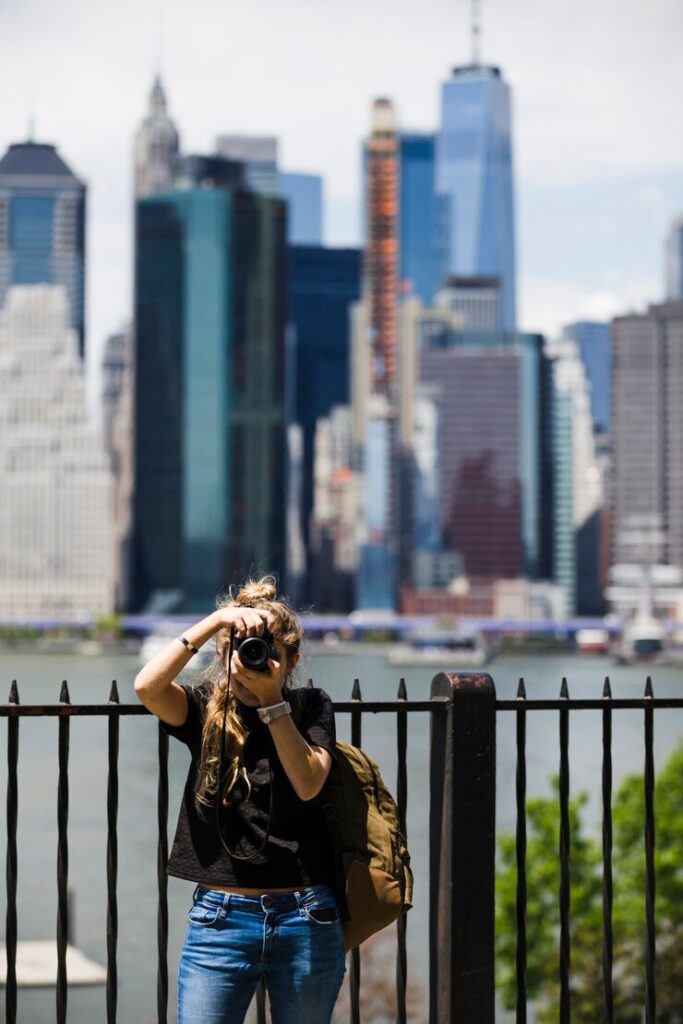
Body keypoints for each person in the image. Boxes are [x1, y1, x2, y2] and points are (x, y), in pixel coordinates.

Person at [134, 575, 345, 1024]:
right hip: (220, 920)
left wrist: (272, 704)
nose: (251, 664)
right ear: (223, 654)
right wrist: (216, 621)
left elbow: (309, 783)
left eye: (266, 654)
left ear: (289, 662)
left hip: (306, 916)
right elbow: (147, 688)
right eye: (240, 651)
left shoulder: (311, 706)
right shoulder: (205, 710)